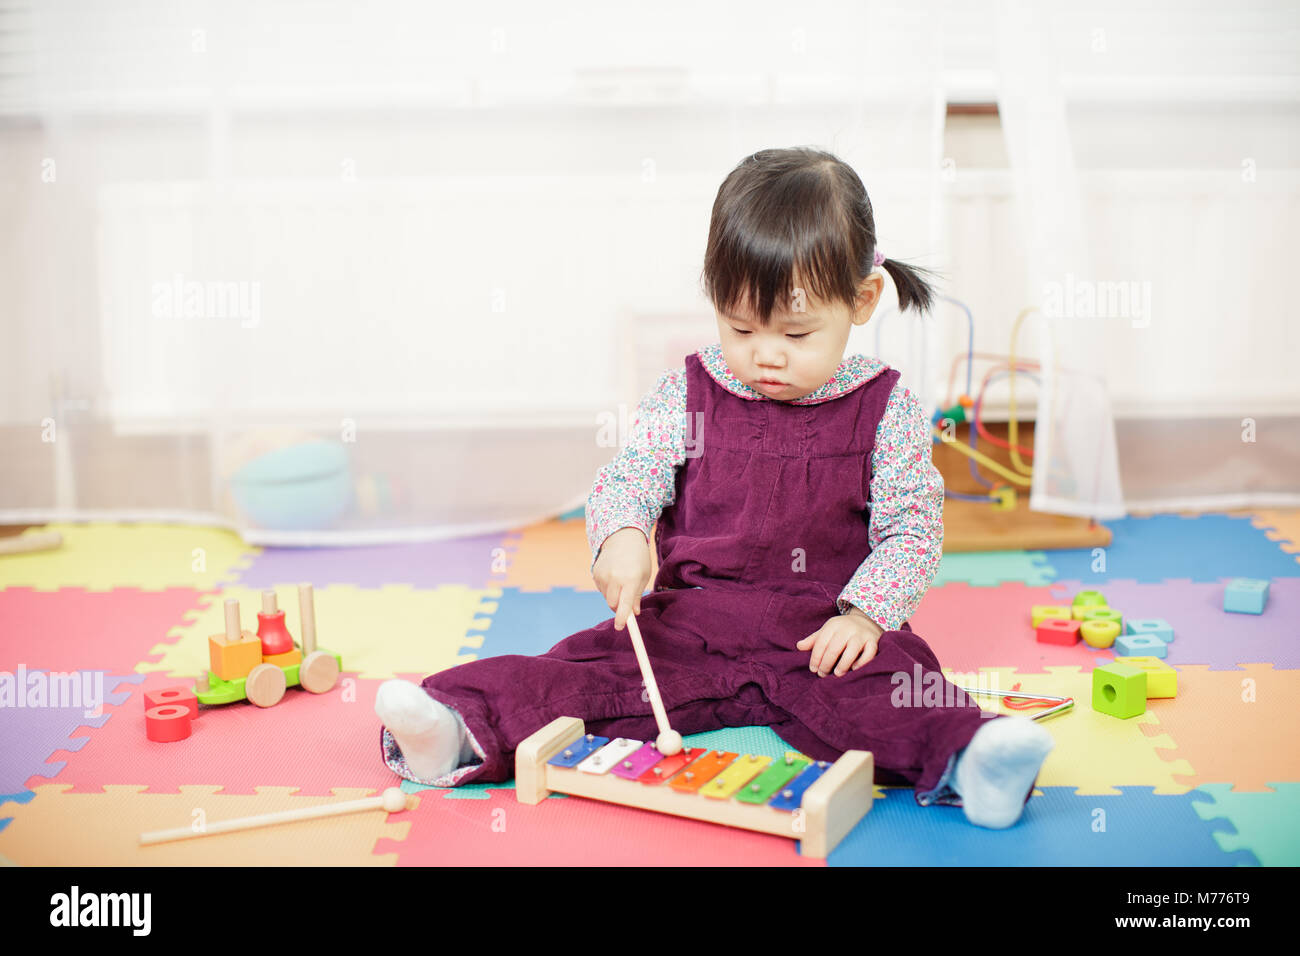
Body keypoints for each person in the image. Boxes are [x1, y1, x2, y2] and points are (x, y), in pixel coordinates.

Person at [375, 146, 1053, 829]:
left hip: (822, 636)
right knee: (584, 671)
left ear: (862, 300)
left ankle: (977, 760)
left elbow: (912, 529)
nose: (766, 353)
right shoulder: (687, 392)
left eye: (795, 332)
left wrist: (865, 618)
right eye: (740, 327)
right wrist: (625, 536)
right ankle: (456, 728)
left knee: (901, 691)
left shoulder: (890, 409)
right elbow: (632, 475)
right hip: (690, 625)